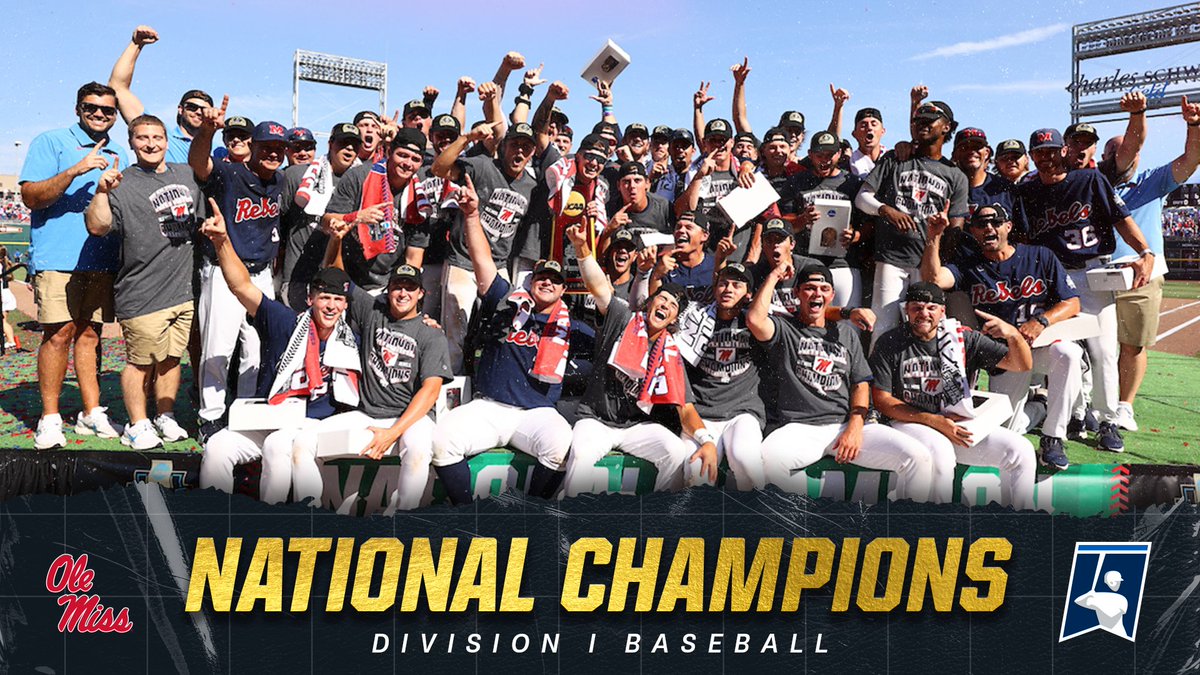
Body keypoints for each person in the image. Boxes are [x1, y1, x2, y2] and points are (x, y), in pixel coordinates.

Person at [197, 200, 362, 505]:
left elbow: (343, 279)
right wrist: (222, 241)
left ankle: (274, 523)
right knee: (218, 446)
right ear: (310, 299)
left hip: (315, 425)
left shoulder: (351, 334)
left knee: (278, 444)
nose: (330, 306)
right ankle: (211, 519)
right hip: (270, 416)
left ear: (346, 305)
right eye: (323, 297)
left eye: (337, 301)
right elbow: (242, 287)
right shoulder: (285, 321)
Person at [431, 176, 573, 503]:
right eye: (541, 278)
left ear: (563, 289)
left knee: (561, 443)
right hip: (490, 407)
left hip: (536, 414)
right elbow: (482, 263)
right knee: (443, 440)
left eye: (555, 280)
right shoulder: (506, 300)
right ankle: (466, 514)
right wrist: (470, 217)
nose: (547, 283)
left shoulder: (570, 325)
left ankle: (531, 513)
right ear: (530, 280)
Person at [1011, 128, 1155, 452]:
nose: (1046, 157)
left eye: (1051, 151)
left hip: (1091, 270)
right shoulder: (1027, 191)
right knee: (1068, 353)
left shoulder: (1089, 180)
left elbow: (1121, 218)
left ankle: (1106, 420)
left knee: (1103, 350)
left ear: (1063, 151)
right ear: (1032, 156)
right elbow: (1023, 241)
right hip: (1053, 278)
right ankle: (1076, 414)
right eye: (1039, 152)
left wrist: (1145, 251)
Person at [748, 263, 934, 502]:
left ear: (832, 296)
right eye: (809, 288)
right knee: (766, 459)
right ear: (796, 293)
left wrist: (855, 427)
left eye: (824, 288)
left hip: (844, 425)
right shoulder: (785, 328)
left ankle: (906, 530)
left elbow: (861, 384)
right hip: (801, 428)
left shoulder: (846, 334)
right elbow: (754, 318)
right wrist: (774, 274)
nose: (817, 294)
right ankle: (796, 523)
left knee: (918, 457)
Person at [561, 225, 718, 498]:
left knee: (674, 451)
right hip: (596, 420)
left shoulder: (670, 353)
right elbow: (598, 286)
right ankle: (568, 523)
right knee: (582, 455)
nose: (666, 306)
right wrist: (582, 249)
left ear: (673, 320)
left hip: (634, 427)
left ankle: (656, 518)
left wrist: (707, 441)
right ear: (649, 304)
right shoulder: (623, 318)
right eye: (663, 299)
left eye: (672, 307)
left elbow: (685, 408)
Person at [921, 205, 1081, 470]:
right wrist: (933, 237)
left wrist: (1041, 321)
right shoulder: (968, 264)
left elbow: (1072, 302)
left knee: (1069, 354)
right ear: (973, 231)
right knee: (1008, 430)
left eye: (996, 222)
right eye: (981, 225)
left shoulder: (1039, 255)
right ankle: (1039, 407)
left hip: (1039, 346)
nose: (989, 229)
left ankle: (1053, 436)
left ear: (1008, 227)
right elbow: (933, 280)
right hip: (1004, 356)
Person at [19, 81, 129, 449]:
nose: (99, 114)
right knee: (58, 334)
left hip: (101, 257)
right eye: (91, 107)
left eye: (107, 110)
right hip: (58, 257)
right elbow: (31, 197)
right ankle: (49, 417)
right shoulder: (50, 142)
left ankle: (90, 412)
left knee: (90, 335)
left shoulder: (120, 152)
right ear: (77, 108)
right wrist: (75, 170)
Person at [83, 114, 202, 448]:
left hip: (182, 292)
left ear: (167, 140)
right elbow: (98, 226)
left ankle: (165, 415)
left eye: (157, 138)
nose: (151, 144)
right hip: (142, 293)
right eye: (142, 138)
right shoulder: (122, 181)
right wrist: (103, 192)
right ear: (131, 141)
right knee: (140, 363)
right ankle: (138, 423)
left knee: (170, 360)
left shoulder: (186, 175)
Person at [301, 258, 452, 511]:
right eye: (397, 287)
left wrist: (392, 434)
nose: (403, 293)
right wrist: (338, 238)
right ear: (388, 290)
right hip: (368, 414)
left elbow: (431, 391)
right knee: (303, 442)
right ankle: (312, 516)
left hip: (411, 419)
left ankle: (403, 520)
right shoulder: (372, 311)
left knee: (417, 451)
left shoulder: (431, 333)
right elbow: (337, 276)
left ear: (420, 294)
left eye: (410, 287)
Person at [869, 282, 1036, 510]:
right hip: (908, 422)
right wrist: (933, 421)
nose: (924, 314)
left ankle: (1018, 525)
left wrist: (1013, 335)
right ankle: (934, 529)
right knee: (941, 452)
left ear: (942, 311)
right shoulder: (890, 341)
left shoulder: (961, 338)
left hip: (954, 423)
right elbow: (883, 401)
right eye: (916, 308)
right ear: (906, 310)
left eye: (931, 308)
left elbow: (1021, 364)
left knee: (1021, 451)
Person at [188, 97, 288, 439]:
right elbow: (199, 164)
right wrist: (206, 133)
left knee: (257, 350)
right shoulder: (230, 172)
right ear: (252, 147)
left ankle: (243, 412)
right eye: (267, 147)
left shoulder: (279, 182)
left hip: (260, 274)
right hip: (223, 270)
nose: (274, 153)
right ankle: (210, 417)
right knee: (218, 348)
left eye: (280, 148)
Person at [1109, 96, 1200, 431]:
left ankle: (1124, 406)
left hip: (1140, 274)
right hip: (1099, 274)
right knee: (1094, 345)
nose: (1119, 155)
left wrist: (1194, 126)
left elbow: (1192, 158)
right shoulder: (1094, 184)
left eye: (1125, 149)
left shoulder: (1152, 180)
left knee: (1132, 344)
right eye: (1111, 152)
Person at [855, 100, 969, 347]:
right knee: (882, 329)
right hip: (891, 257)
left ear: (946, 127)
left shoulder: (955, 174)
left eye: (929, 121)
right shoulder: (896, 158)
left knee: (925, 331)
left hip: (928, 262)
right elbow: (862, 198)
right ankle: (881, 385)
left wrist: (940, 264)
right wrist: (886, 210)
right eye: (917, 121)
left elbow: (956, 229)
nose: (921, 126)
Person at [432, 120, 539, 372]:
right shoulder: (482, 166)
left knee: (501, 330)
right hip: (462, 261)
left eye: (526, 147)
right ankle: (450, 394)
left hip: (497, 267)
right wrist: (466, 138)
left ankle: (487, 383)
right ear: (503, 147)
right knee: (455, 336)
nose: (520, 152)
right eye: (515, 145)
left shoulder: (532, 187)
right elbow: (439, 168)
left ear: (533, 152)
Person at [674, 262, 767, 490]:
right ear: (714, 289)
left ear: (748, 294)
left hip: (742, 412)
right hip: (702, 413)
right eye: (723, 284)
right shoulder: (692, 321)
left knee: (745, 460)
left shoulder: (757, 323)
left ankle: (756, 522)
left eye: (736, 285)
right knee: (696, 474)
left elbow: (801, 317)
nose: (728, 289)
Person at [319, 127, 428, 295]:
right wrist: (357, 217)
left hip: (386, 282)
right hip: (345, 273)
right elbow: (326, 222)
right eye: (402, 155)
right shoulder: (358, 176)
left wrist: (402, 290)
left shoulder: (419, 197)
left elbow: (414, 256)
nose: (408, 163)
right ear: (389, 151)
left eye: (415, 159)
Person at [280, 123, 362, 309]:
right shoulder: (297, 174)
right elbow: (279, 219)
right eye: (343, 143)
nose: (349, 148)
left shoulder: (362, 179)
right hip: (298, 272)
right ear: (331, 144)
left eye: (354, 145)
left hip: (335, 273)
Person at [107, 25, 212, 164]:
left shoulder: (218, 149)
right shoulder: (158, 135)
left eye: (204, 110)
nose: (199, 112)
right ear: (180, 109)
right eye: (192, 107)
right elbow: (117, 87)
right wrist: (136, 44)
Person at [782, 131, 865, 305]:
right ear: (810, 155)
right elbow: (784, 223)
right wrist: (803, 219)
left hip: (842, 262)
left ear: (839, 154)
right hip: (806, 261)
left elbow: (868, 224)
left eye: (830, 155)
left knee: (848, 319)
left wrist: (855, 235)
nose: (825, 160)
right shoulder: (795, 182)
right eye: (820, 155)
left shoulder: (852, 183)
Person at [650, 209, 716, 303]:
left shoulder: (715, 266)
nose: (681, 230)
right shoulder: (664, 265)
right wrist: (657, 276)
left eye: (689, 227)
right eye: (678, 227)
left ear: (704, 236)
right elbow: (652, 306)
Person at [848, 107, 887, 178]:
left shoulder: (893, 159)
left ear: (883, 131)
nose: (869, 128)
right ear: (854, 134)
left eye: (874, 124)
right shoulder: (848, 165)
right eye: (863, 125)